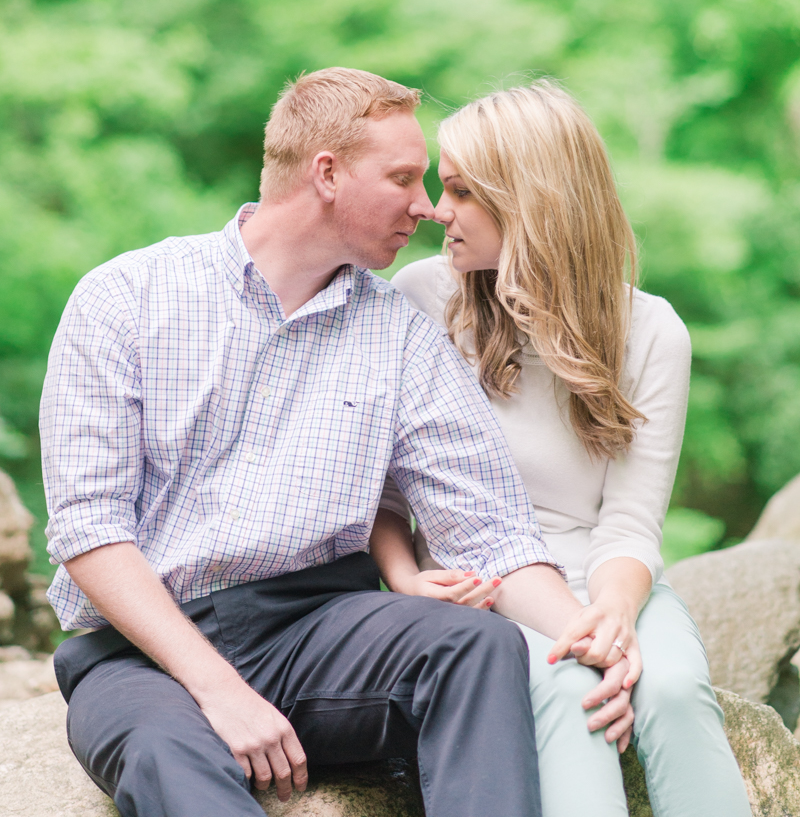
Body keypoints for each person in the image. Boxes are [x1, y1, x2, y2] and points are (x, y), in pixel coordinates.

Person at [41, 67, 632, 817]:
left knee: (476, 646)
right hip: (140, 654)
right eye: (402, 178)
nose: (425, 208)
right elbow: (90, 531)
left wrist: (595, 638)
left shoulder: (401, 337)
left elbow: (490, 534)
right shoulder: (125, 298)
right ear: (326, 173)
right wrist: (219, 691)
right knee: (165, 753)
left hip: (319, 629)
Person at [370, 81, 752, 817]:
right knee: (574, 691)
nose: (435, 210)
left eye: (460, 192)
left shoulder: (651, 331)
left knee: (669, 686)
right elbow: (382, 493)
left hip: (607, 580)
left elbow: (633, 523)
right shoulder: (419, 300)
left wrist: (610, 620)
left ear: (529, 201)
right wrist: (404, 577)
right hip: (478, 590)